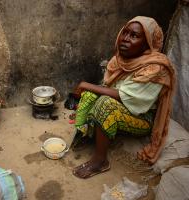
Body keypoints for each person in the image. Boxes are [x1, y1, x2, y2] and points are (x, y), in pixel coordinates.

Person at [71, 16, 176, 179]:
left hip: (141, 118)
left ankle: (100, 161)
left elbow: (123, 95)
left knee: (105, 103)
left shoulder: (156, 68)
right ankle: (86, 134)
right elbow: (108, 86)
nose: (125, 39)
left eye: (134, 36)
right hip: (123, 106)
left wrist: (85, 85)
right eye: (124, 32)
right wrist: (89, 91)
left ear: (147, 43)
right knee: (92, 94)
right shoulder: (122, 58)